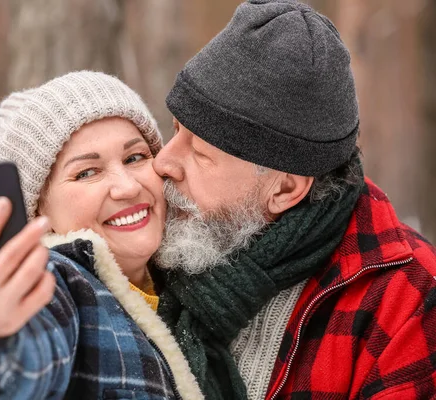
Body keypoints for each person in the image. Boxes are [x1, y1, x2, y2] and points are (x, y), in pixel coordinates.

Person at [150, 1, 436, 399]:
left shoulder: (407, 300)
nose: (163, 162)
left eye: (199, 153)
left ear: (284, 189)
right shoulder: (152, 246)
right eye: (175, 129)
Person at [0, 71, 203, 400]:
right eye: (87, 172)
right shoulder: (56, 283)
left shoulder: (192, 269)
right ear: (38, 213)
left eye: (134, 158)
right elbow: (18, 371)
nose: (128, 186)